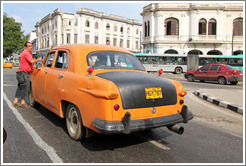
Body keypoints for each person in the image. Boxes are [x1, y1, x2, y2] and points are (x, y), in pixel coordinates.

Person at [12, 42, 42, 108]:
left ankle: (15, 101)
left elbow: (29, 64)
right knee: (25, 88)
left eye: (31, 46)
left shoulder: (28, 53)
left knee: (20, 87)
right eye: (29, 46)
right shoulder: (26, 53)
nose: (31, 47)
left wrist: (34, 67)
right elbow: (32, 61)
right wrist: (39, 59)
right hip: (23, 73)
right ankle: (23, 102)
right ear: (25, 47)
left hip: (20, 73)